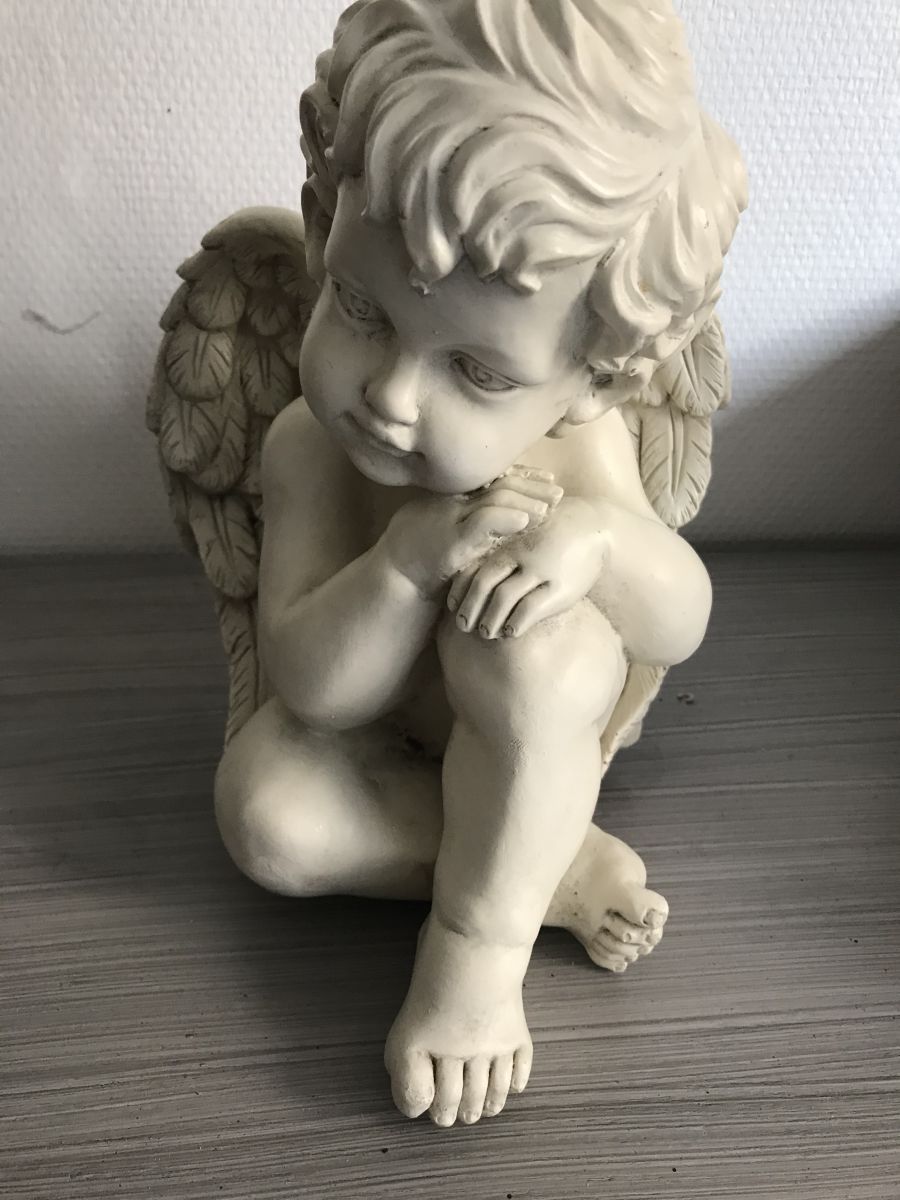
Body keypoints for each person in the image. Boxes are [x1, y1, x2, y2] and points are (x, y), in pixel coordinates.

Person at [214, 0, 746, 1127]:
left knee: (539, 647)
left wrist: (596, 541)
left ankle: (479, 946)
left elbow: (679, 617)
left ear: (596, 379)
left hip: (523, 745)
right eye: (360, 307)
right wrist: (401, 568)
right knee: (263, 813)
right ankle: (553, 870)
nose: (391, 396)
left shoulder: (581, 450)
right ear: (321, 226)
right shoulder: (311, 450)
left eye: (481, 374)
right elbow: (310, 686)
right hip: (377, 762)